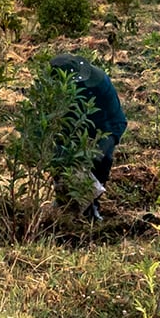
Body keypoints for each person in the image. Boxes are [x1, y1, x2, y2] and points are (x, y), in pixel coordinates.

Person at [48, 53, 126, 218]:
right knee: (63, 163)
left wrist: (101, 148)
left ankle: (92, 208)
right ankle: (67, 207)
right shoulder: (51, 90)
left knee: (102, 160)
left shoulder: (99, 82)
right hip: (68, 130)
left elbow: (117, 120)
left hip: (100, 127)